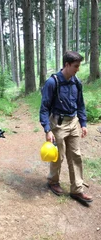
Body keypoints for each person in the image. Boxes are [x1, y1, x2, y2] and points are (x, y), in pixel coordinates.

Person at [39, 51, 93, 203]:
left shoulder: (77, 82)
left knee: (76, 155)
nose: (78, 69)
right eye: (76, 66)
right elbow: (44, 108)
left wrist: (83, 123)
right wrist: (47, 129)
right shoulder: (52, 82)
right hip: (58, 123)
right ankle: (53, 181)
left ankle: (77, 190)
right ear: (67, 65)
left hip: (73, 122)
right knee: (58, 156)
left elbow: (80, 104)